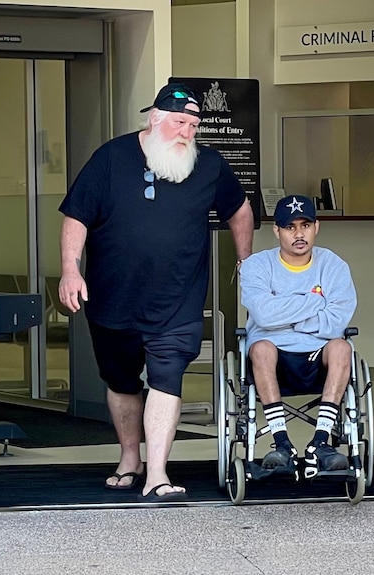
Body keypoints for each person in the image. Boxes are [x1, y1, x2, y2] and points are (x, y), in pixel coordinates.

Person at [58, 82, 254, 502]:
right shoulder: (111, 157)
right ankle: (131, 458)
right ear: (156, 118)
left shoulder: (209, 165)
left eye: (194, 124)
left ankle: (158, 474)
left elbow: (240, 208)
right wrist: (69, 271)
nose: (188, 131)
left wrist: (245, 259)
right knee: (122, 380)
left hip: (178, 300)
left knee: (167, 378)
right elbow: (76, 215)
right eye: (181, 122)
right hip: (114, 298)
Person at [239, 195, 357, 479]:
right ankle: (282, 444)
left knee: (342, 347)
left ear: (316, 227)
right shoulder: (257, 266)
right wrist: (315, 301)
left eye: (305, 225)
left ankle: (321, 444)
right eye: (290, 227)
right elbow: (264, 317)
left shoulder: (334, 266)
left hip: (319, 356)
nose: (299, 233)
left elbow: (336, 321)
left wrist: (284, 314)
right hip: (272, 358)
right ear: (276, 231)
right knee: (261, 347)